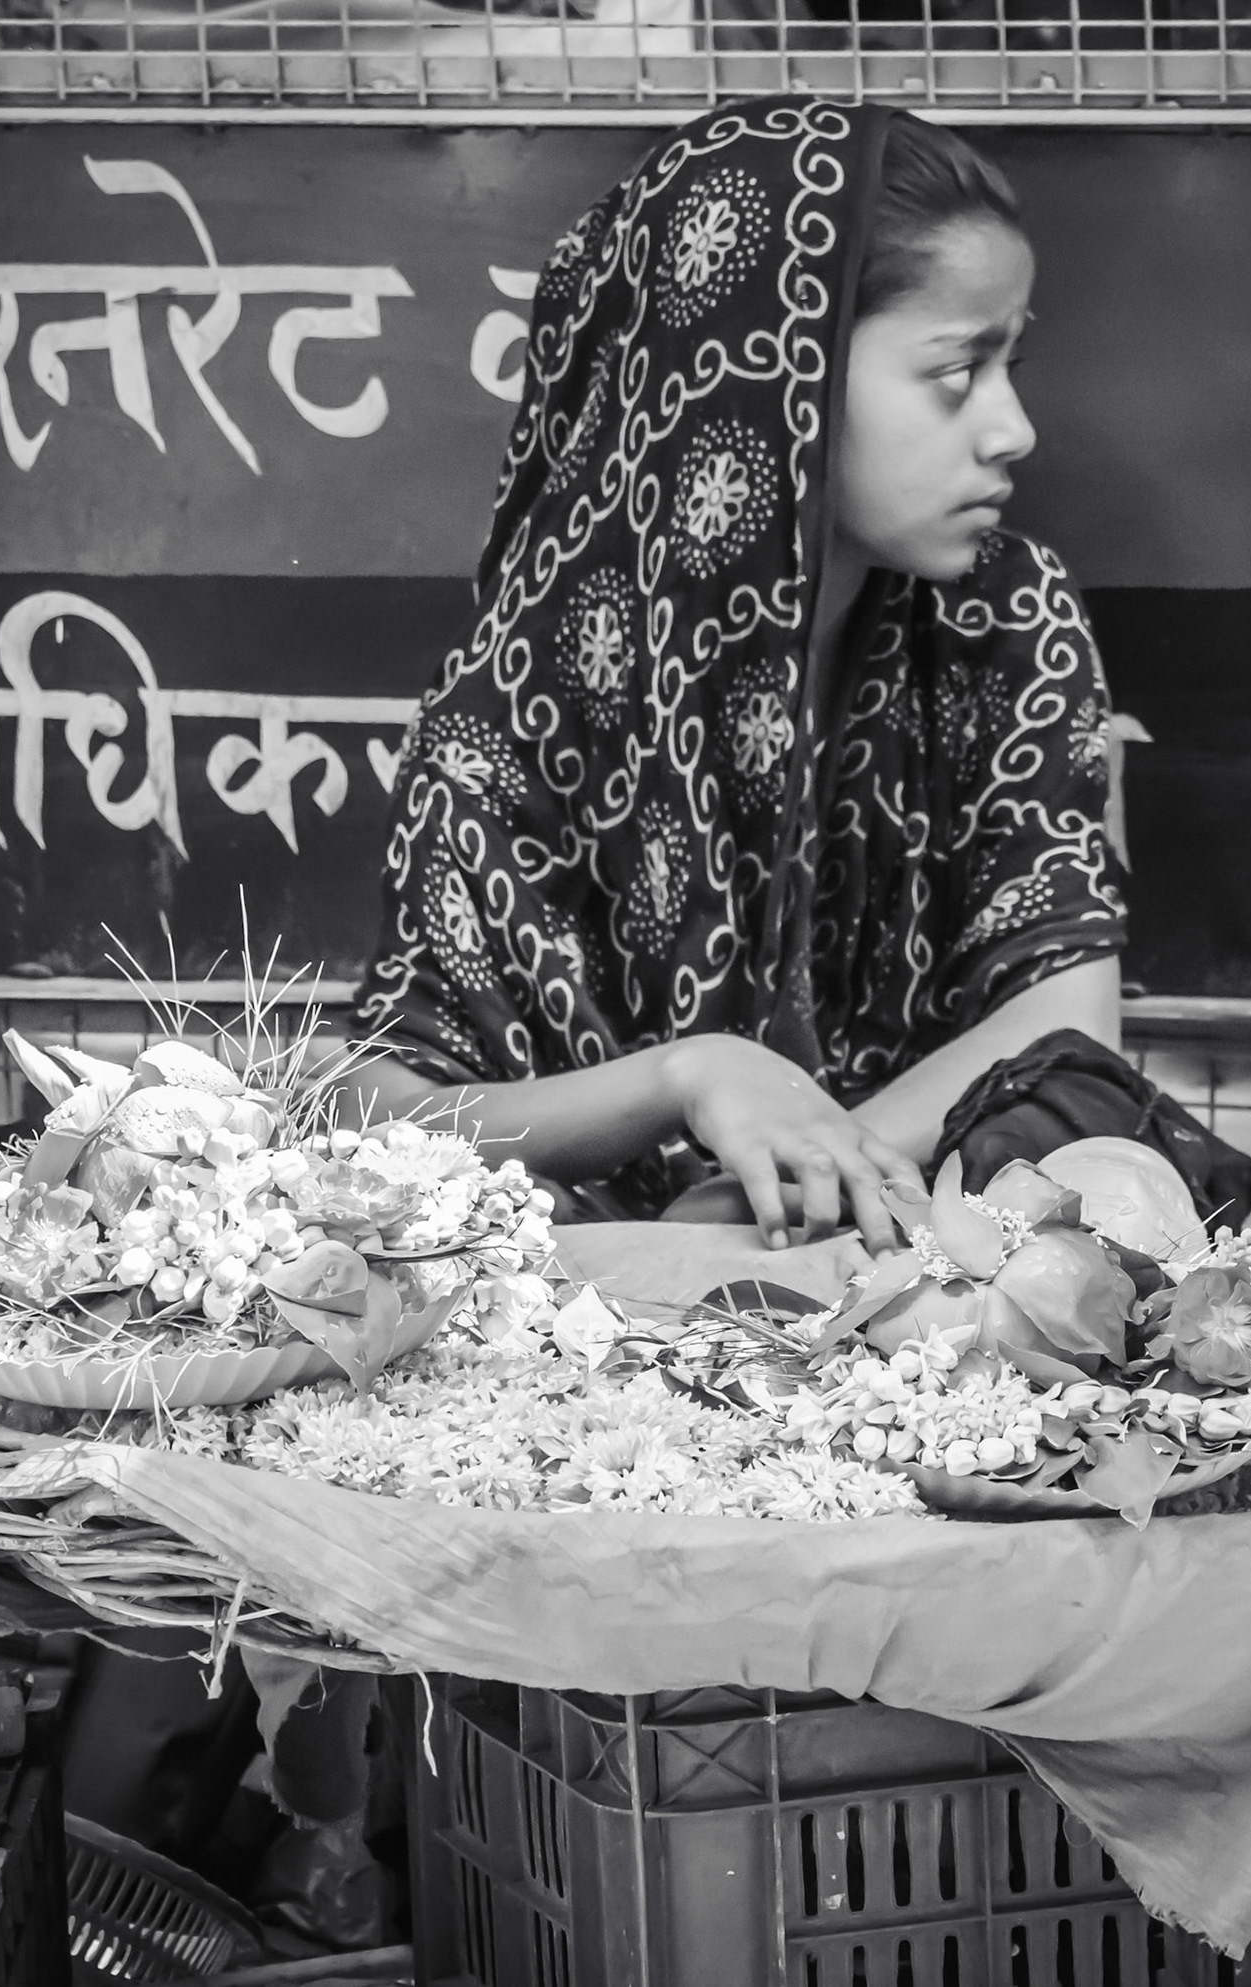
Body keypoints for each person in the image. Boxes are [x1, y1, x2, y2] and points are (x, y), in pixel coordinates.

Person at [342, 99, 1127, 1255]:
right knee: (433, 1210)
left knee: (1084, 1125)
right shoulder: (516, 704)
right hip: (609, 1268)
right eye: (959, 371)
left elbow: (1068, 1018)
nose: (1011, 429)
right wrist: (692, 1079)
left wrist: (803, 1174)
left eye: (1013, 360)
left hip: (910, 1225)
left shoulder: (1003, 618)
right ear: (779, 386)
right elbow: (390, 1110)